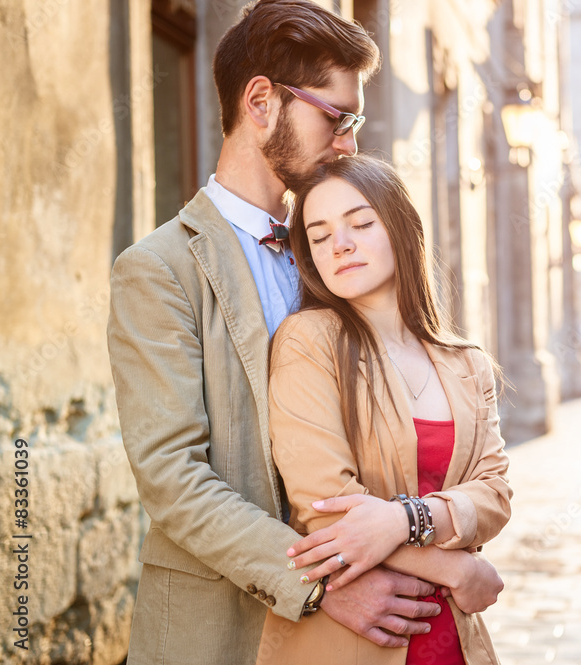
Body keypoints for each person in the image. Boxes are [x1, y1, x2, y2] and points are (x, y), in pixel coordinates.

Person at [107, 2, 442, 662]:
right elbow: (174, 478)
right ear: (262, 102)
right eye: (336, 117)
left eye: (356, 122)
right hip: (222, 633)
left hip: (362, 634)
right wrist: (317, 585)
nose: (349, 141)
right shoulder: (156, 269)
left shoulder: (335, 252)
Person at [257, 155, 512, 664]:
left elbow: (495, 494)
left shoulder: (467, 364)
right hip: (354, 639)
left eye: (361, 222)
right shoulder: (308, 341)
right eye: (320, 234)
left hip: (455, 641)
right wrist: (458, 571)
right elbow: (325, 506)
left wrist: (404, 520)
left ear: (399, 226)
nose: (342, 244)